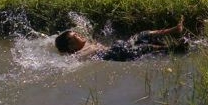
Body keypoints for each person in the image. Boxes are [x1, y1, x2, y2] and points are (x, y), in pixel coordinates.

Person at [55, 16, 187, 61]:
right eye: (75, 36)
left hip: (118, 47)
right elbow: (76, 61)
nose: (79, 34)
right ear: (71, 46)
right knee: (144, 48)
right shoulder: (79, 55)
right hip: (117, 54)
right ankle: (174, 49)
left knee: (141, 35)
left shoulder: (86, 43)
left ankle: (174, 30)